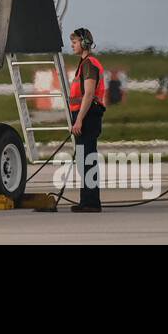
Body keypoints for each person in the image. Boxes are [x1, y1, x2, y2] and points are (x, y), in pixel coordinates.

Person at [67, 28, 106, 213]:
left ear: (83, 43)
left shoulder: (89, 64)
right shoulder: (84, 64)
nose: (72, 45)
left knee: (87, 159)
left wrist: (79, 120)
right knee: (83, 159)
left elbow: (89, 94)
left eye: (74, 42)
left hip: (88, 116)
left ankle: (91, 202)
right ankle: (86, 200)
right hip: (83, 115)